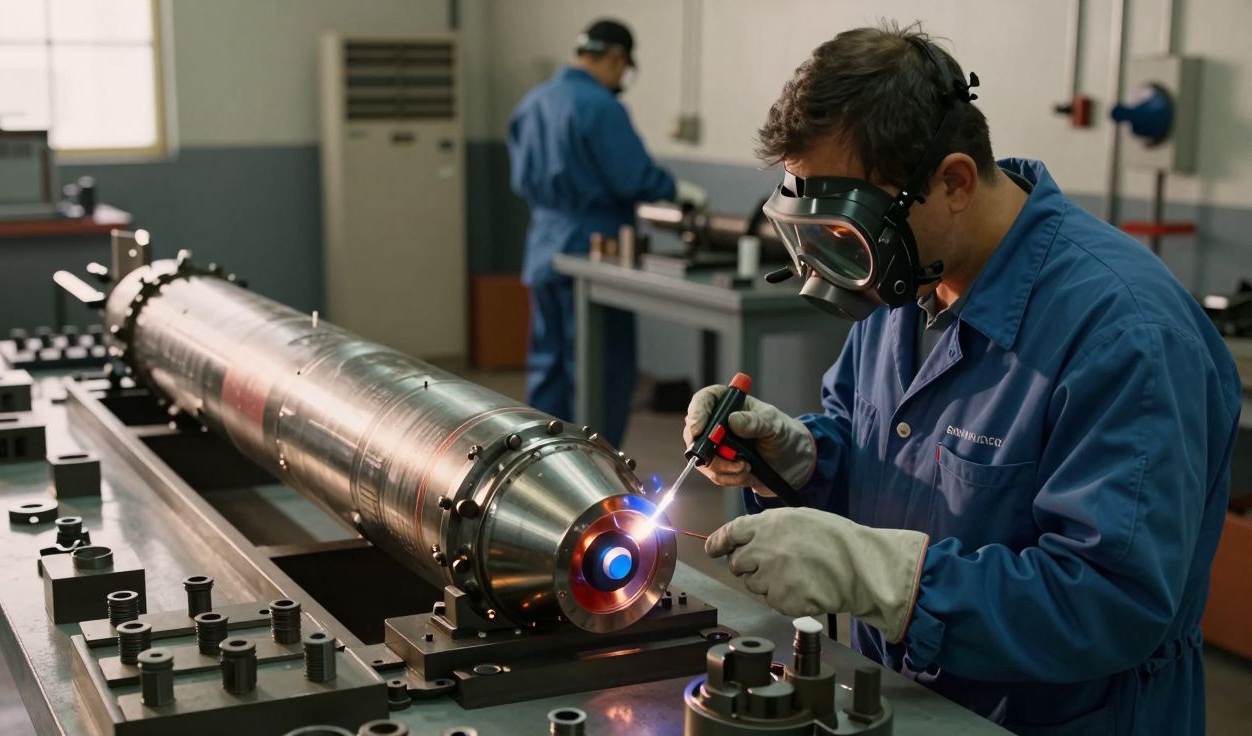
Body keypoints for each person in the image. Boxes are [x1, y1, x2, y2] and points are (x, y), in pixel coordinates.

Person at [684, 23, 1239, 735]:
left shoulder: (1126, 335)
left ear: (952, 182)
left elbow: (1109, 603)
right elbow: (885, 456)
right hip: (901, 699)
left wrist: (884, 579)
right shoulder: (909, 279)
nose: (834, 268)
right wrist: (802, 460)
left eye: (847, 235)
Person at [509, 18, 707, 447]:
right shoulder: (600, 107)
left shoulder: (533, 102)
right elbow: (632, 177)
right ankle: (595, 462)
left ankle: (542, 458)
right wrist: (674, 189)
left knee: (548, 362)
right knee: (601, 367)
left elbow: (520, 179)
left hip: (543, 246)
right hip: (594, 248)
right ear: (617, 59)